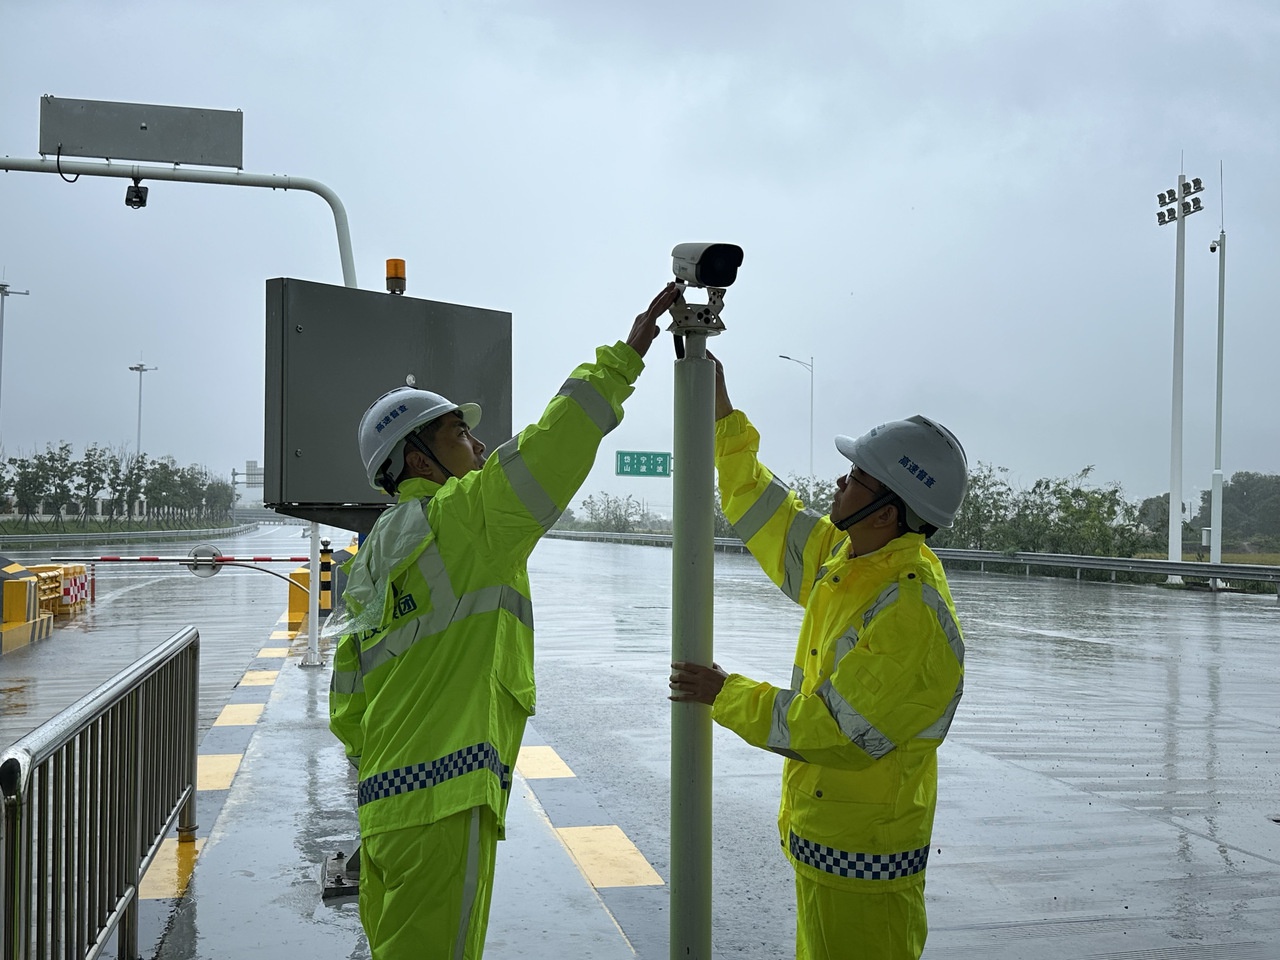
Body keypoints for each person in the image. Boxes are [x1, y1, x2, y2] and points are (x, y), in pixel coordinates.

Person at [330, 282, 680, 959]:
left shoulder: (374, 555)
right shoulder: (465, 519)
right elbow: (555, 443)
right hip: (441, 805)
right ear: (415, 457)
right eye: (459, 431)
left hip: (384, 812)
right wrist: (626, 356)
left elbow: (348, 704)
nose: (480, 442)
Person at [669, 354, 968, 960]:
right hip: (829, 843)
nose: (840, 484)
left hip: (866, 862)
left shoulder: (908, 611)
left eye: (856, 477)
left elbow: (833, 730)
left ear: (887, 511)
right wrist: (721, 413)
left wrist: (723, 694)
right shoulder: (848, 558)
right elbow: (760, 507)